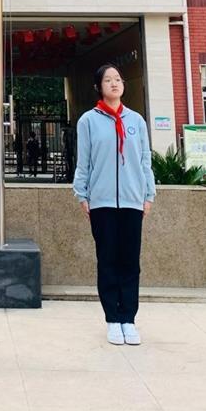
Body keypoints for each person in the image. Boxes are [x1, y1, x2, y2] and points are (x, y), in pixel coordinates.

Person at [72, 63, 155, 346]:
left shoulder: (136, 121)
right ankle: (112, 318)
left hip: (132, 201)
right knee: (107, 261)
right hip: (102, 202)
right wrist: (82, 194)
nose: (115, 83)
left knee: (130, 261)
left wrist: (148, 194)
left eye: (118, 79)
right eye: (108, 80)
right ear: (99, 87)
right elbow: (84, 161)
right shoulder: (88, 121)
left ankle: (128, 319)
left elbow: (145, 159)